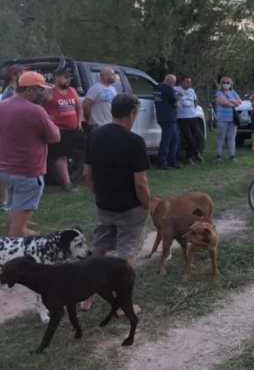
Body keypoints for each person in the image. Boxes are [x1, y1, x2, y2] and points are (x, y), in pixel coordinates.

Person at [80, 93, 151, 316]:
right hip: (130, 208)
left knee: (98, 251)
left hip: (104, 206)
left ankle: (85, 298)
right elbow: (141, 183)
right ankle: (123, 304)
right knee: (125, 255)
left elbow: (87, 174)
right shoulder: (135, 142)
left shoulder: (94, 136)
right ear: (132, 113)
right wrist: (147, 205)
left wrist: (98, 194)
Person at [0, 72, 60, 237]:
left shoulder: (2, 106)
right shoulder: (36, 110)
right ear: (30, 90)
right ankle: (13, 249)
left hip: (4, 169)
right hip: (27, 172)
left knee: (15, 206)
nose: (44, 94)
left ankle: (14, 230)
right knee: (19, 229)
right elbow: (55, 137)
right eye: (41, 90)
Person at [42, 68, 84, 192]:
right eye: (65, 77)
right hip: (59, 130)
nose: (68, 80)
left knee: (84, 150)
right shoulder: (49, 92)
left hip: (74, 129)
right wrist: (47, 119)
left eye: (69, 78)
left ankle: (83, 175)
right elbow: (38, 108)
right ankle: (67, 183)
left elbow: (79, 109)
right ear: (56, 78)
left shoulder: (72, 90)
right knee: (61, 156)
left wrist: (79, 122)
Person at [0, 64, 28, 211]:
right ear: (14, 76)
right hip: (11, 136)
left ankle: (15, 203)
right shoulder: (9, 93)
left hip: (20, 135)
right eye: (22, 73)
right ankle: (5, 202)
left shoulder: (22, 90)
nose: (25, 74)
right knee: (7, 168)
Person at [153, 74, 180, 170]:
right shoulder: (169, 88)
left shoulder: (158, 87)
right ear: (173, 82)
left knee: (174, 139)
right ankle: (162, 162)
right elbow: (175, 103)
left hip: (161, 116)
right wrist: (178, 102)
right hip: (169, 117)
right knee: (167, 140)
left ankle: (171, 160)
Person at [175, 75, 204, 164]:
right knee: (189, 138)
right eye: (187, 82)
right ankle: (191, 156)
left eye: (190, 82)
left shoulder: (191, 91)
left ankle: (194, 153)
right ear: (182, 82)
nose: (189, 84)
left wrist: (193, 109)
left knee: (198, 136)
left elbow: (196, 100)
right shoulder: (176, 89)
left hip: (193, 117)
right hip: (182, 118)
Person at [214, 77, 243, 161]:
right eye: (224, 82)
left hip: (232, 119)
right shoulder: (219, 93)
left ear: (230, 84)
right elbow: (223, 103)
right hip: (222, 119)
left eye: (227, 83)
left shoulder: (233, 92)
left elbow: (240, 101)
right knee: (221, 136)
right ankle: (219, 155)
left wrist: (229, 101)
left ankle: (232, 155)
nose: (225, 84)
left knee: (231, 137)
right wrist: (233, 102)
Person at [83, 67, 117, 131]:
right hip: (97, 125)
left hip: (110, 123)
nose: (115, 76)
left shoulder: (113, 89)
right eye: (113, 74)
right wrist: (89, 119)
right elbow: (86, 105)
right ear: (105, 76)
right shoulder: (95, 88)